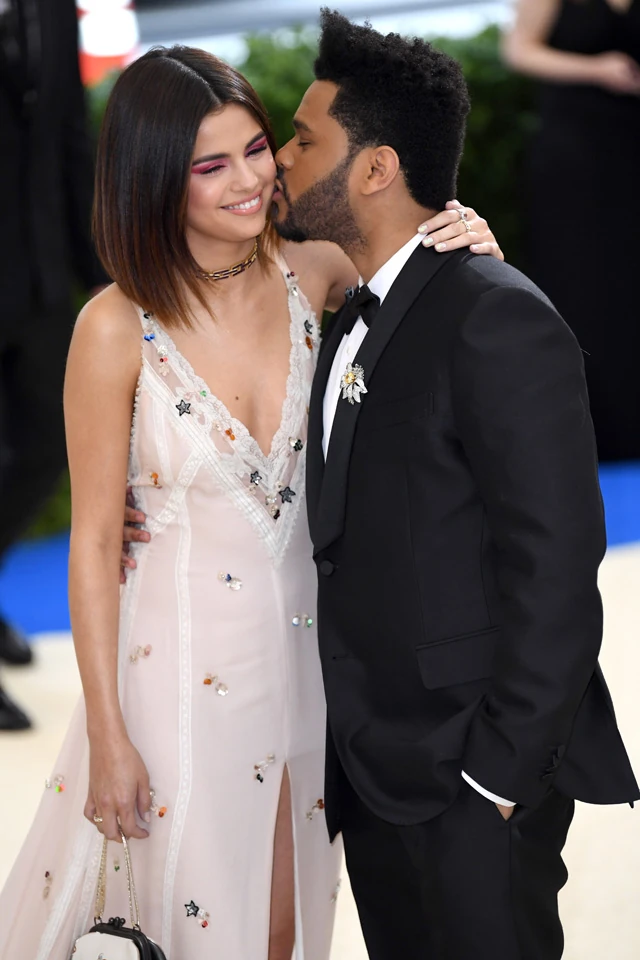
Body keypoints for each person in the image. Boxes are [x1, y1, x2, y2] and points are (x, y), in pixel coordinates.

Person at [0, 41, 503, 959]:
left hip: (316, 672)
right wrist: (108, 736)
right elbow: (93, 544)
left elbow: (434, 298)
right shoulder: (112, 328)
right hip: (173, 682)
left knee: (283, 923)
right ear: (155, 177)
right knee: (181, 925)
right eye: (211, 165)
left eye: (258, 149)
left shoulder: (319, 270)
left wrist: (472, 235)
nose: (250, 180)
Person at [268, 10, 638, 959]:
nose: (281, 159)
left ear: (376, 168)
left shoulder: (494, 316)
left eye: (304, 140)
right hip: (375, 768)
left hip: (470, 775)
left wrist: (498, 778)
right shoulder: (355, 309)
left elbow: (558, 567)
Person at [0, 0, 107, 726]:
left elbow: (70, 131)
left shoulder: (54, 7)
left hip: (40, 278)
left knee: (47, 445)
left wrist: (99, 271)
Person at [503, 0, 640, 462]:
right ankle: (593, 439)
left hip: (632, 150)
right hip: (577, 158)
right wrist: (597, 69)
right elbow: (519, 50)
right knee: (583, 289)